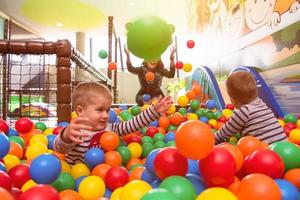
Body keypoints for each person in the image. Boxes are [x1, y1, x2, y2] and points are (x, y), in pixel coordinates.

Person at [54, 82, 172, 165]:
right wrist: (66, 135)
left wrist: (154, 110)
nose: (105, 115)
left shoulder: (110, 127)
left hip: (104, 174)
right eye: (99, 110)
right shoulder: (77, 130)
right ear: (80, 111)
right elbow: (59, 148)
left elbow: (133, 124)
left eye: (108, 110)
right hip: (78, 177)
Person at [215, 71, 287, 144]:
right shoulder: (261, 104)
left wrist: (213, 138)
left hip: (267, 152)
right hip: (285, 146)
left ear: (233, 101)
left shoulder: (243, 112)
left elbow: (222, 135)